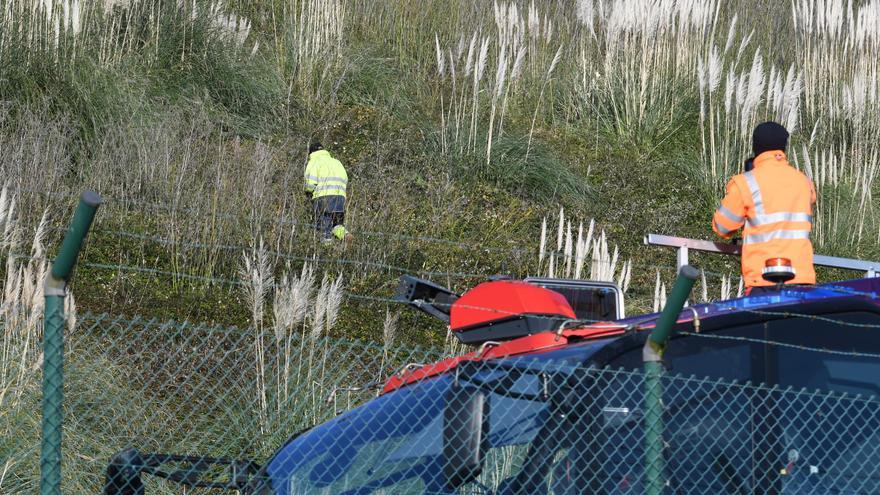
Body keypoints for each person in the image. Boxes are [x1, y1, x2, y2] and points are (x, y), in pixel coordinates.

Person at [712, 121, 816, 294]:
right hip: (802, 278)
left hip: (764, 278)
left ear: (755, 146)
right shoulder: (804, 181)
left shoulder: (746, 182)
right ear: (784, 147)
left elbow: (723, 226)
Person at [304, 141, 352, 243]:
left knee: (323, 227)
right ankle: (346, 236)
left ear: (311, 152)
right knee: (337, 225)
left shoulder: (314, 162)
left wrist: (308, 193)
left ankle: (326, 248)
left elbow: (310, 183)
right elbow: (346, 178)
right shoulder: (337, 162)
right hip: (340, 197)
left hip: (323, 197)